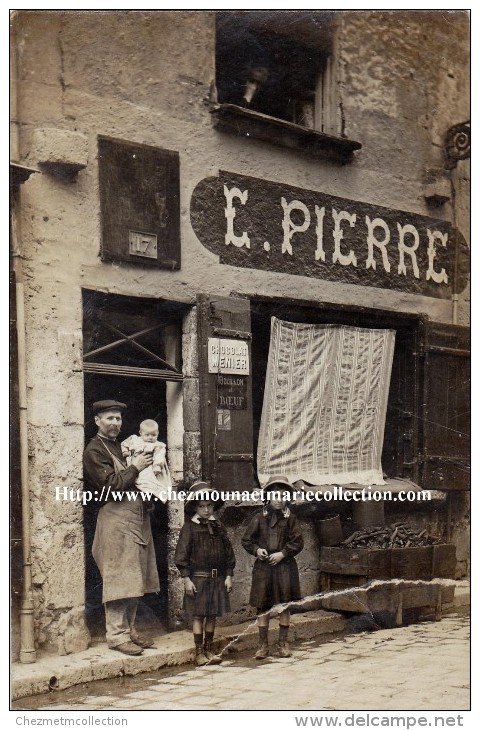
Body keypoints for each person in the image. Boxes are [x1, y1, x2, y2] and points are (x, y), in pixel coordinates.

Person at [83, 400, 160, 656]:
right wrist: (136, 467)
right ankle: (116, 635)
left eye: (118, 418)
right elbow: (110, 486)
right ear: (97, 421)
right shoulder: (95, 450)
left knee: (135, 575)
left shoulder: (123, 445)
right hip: (115, 518)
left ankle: (130, 631)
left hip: (136, 516)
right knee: (118, 577)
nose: (115, 423)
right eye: (110, 418)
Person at [241, 475, 304, 660]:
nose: (279, 499)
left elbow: (298, 541)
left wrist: (283, 553)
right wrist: (257, 550)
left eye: (283, 495)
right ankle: (262, 646)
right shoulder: (259, 518)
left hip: (285, 567)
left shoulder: (291, 518)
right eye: (275, 495)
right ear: (268, 496)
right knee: (263, 605)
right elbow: (246, 540)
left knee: (284, 605)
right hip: (264, 568)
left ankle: (283, 644)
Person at [174, 481, 235, 666]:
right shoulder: (189, 529)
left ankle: (209, 648)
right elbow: (181, 555)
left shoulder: (218, 527)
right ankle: (198, 651)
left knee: (212, 615)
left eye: (209, 505)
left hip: (217, 578)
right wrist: (186, 578)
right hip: (198, 579)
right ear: (195, 507)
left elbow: (228, 553)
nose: (206, 510)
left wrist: (229, 575)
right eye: (202, 506)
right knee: (198, 615)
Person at [121, 418, 172, 502]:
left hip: (150, 467)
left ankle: (149, 492)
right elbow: (124, 443)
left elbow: (159, 456)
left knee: (148, 481)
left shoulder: (158, 445)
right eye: (147, 435)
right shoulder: (134, 439)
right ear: (140, 433)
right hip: (134, 465)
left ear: (158, 433)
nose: (150, 438)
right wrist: (125, 451)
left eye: (153, 435)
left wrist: (157, 466)